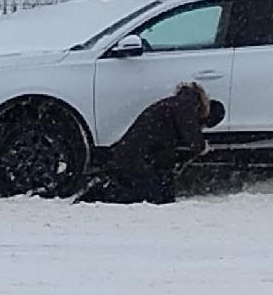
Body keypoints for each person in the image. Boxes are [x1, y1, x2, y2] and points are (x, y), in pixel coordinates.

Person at [87, 82, 216, 205]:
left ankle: (100, 190)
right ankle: (96, 194)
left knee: (155, 192)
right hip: (138, 157)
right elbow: (190, 133)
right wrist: (202, 146)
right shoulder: (185, 105)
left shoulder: (175, 104)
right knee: (145, 195)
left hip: (137, 154)